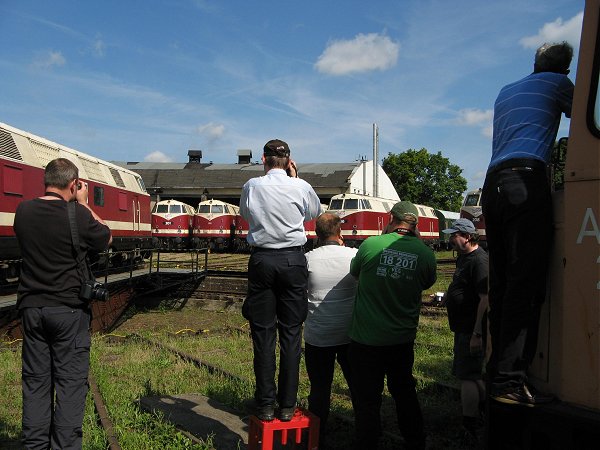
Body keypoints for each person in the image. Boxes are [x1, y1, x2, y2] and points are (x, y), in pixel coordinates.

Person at [481, 41, 574, 406]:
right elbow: (582, 117)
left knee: (502, 281)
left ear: (534, 63)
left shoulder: (506, 90)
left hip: (493, 183)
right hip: (526, 178)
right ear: (565, 68)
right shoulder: (559, 84)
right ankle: (508, 382)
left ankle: (495, 370)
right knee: (526, 282)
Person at [14, 158, 112, 449]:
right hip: (68, 312)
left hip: (32, 309)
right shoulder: (78, 215)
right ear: (73, 184)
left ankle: (34, 446)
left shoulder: (23, 211)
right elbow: (105, 237)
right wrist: (83, 203)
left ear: (46, 181)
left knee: (35, 385)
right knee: (69, 387)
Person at [240, 139, 321, 422]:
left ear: (263, 159)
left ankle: (264, 405)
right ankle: (287, 406)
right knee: (291, 335)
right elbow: (313, 214)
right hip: (293, 260)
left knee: (263, 336)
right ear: (289, 161)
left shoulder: (251, 186)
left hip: (262, 260)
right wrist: (295, 178)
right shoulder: (301, 186)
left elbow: (246, 215)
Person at [348, 201, 437, 450]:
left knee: (367, 399)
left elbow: (355, 272)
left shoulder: (370, 245)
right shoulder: (425, 254)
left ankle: (367, 442)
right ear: (415, 225)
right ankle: (415, 440)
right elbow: (426, 282)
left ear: (390, 219)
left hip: (366, 340)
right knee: (405, 393)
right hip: (401, 340)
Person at [304, 212, 357, 444]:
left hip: (318, 336)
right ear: (340, 233)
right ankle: (365, 432)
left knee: (319, 388)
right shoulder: (354, 256)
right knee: (357, 385)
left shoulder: (308, 259)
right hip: (350, 334)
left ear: (317, 234)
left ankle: (317, 435)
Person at [442, 218, 488, 442]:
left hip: (471, 329)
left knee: (467, 377)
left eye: (454, 235)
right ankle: (487, 411)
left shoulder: (479, 261)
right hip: (464, 327)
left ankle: (469, 423)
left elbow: (485, 298)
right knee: (472, 373)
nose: (450, 239)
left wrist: (477, 333)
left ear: (468, 237)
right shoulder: (464, 258)